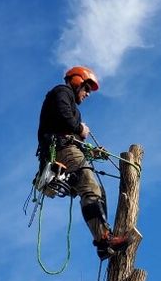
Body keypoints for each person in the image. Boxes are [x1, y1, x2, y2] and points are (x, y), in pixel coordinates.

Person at [37, 66, 130, 259]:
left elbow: (69, 130)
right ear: (77, 81)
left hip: (68, 149)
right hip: (62, 150)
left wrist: (91, 149)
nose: (87, 94)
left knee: (98, 192)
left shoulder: (71, 105)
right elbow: (64, 117)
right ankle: (104, 240)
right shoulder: (61, 92)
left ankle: (105, 240)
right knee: (90, 187)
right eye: (86, 88)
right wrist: (80, 128)